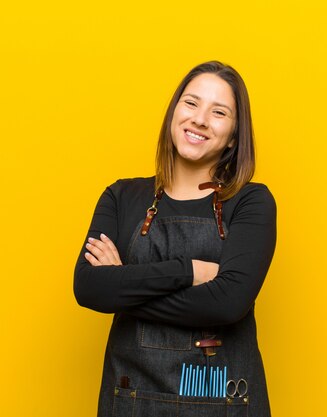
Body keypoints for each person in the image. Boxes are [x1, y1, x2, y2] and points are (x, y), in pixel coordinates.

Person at [74, 61, 276, 417]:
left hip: (223, 403)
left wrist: (124, 285)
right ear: (174, 112)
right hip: (131, 401)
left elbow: (228, 304)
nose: (200, 119)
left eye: (218, 112)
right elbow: (89, 287)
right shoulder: (121, 197)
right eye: (191, 103)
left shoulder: (251, 202)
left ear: (233, 136)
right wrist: (189, 271)